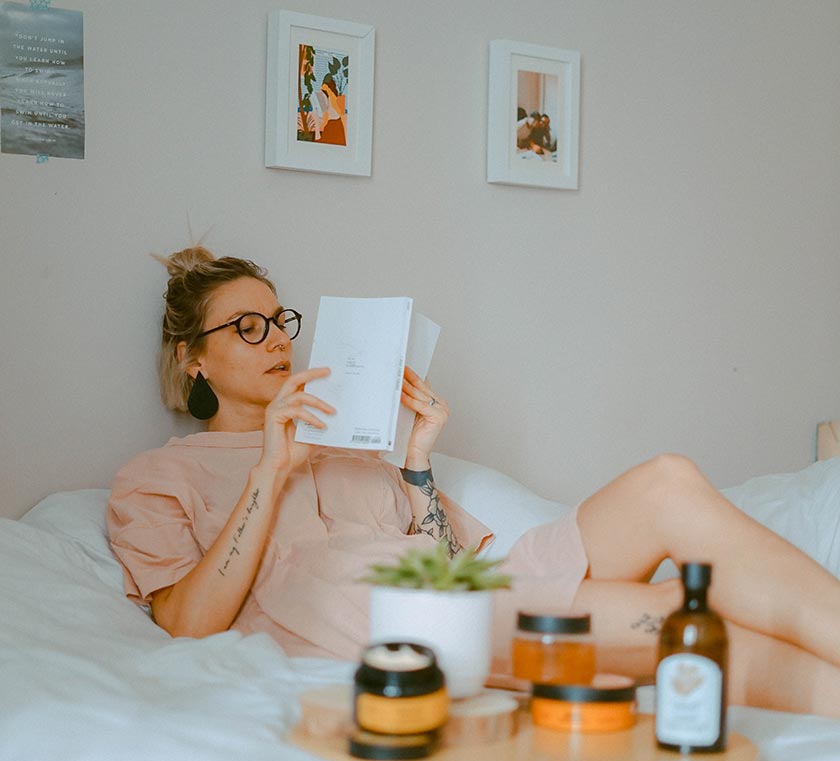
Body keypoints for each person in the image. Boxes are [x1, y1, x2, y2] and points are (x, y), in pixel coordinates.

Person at [108, 246, 840, 718]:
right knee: (679, 616)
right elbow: (187, 625)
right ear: (193, 358)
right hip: (369, 619)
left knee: (668, 481)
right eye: (247, 327)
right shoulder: (160, 475)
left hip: (464, 598)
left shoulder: (354, 449)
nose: (277, 339)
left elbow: (452, 569)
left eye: (279, 319)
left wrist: (418, 460)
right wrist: (271, 466)